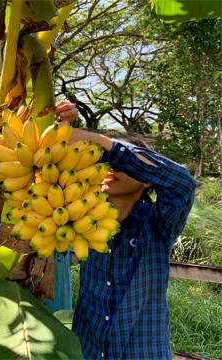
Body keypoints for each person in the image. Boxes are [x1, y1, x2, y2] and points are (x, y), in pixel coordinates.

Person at [55, 100, 197, 359]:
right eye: (105, 161)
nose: (112, 167)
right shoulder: (81, 215)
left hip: (142, 351)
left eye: (124, 163)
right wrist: (61, 125)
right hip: (87, 349)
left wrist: (101, 142)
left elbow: (182, 183)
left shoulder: (158, 224)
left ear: (147, 180)